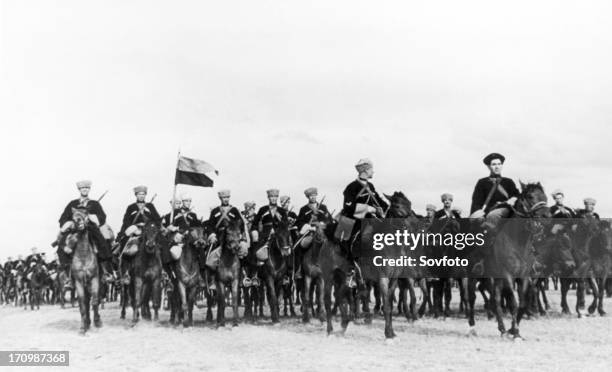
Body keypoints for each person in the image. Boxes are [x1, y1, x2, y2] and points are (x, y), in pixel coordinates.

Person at [341, 158, 388, 285]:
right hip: (353, 220)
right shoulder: (351, 187)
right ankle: (350, 271)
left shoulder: (370, 186)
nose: (373, 171)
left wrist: (387, 208)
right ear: (365, 170)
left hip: (369, 220)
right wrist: (368, 208)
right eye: (371, 169)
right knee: (346, 241)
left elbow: (379, 201)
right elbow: (348, 207)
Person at [56, 180, 114, 281]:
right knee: (62, 244)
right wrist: (70, 223)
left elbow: (102, 217)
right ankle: (66, 274)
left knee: (102, 243)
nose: (85, 190)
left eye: (86, 188)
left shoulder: (94, 204)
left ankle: (106, 272)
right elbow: (63, 218)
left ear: (89, 189)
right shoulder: (73, 203)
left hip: (90, 229)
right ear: (79, 190)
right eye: (83, 188)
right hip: (75, 229)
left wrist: (92, 217)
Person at [470, 153, 520, 231]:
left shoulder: (508, 181)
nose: (497, 167)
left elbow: (517, 195)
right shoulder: (482, 182)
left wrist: (513, 199)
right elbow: (476, 201)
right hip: (487, 211)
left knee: (493, 215)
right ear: (489, 167)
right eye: (493, 164)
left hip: (507, 209)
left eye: (499, 164)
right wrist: (478, 214)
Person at [205, 190, 249, 268]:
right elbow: (210, 226)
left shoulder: (234, 210)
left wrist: (242, 238)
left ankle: (243, 273)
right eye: (224, 197)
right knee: (208, 256)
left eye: (227, 197)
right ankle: (210, 277)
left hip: (232, 237)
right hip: (218, 237)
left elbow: (241, 224)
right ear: (220, 198)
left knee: (243, 253)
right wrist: (212, 235)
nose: (226, 199)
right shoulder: (215, 211)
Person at [116, 185, 162, 252]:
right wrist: (134, 227)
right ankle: (120, 258)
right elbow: (126, 220)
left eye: (143, 194)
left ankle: (166, 261)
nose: (141, 196)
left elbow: (157, 219)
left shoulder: (150, 206)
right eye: (139, 194)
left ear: (145, 195)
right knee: (124, 241)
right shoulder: (131, 207)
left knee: (162, 242)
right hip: (136, 229)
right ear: (136, 195)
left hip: (149, 230)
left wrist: (148, 214)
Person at [251, 189, 288, 263]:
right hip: (265, 235)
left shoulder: (281, 211)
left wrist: (277, 230)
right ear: (268, 198)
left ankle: (290, 271)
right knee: (255, 251)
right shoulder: (263, 209)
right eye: (271, 196)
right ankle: (255, 272)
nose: (273, 198)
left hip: (279, 235)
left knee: (288, 251)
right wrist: (255, 232)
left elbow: (285, 224)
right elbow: (255, 223)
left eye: (275, 197)